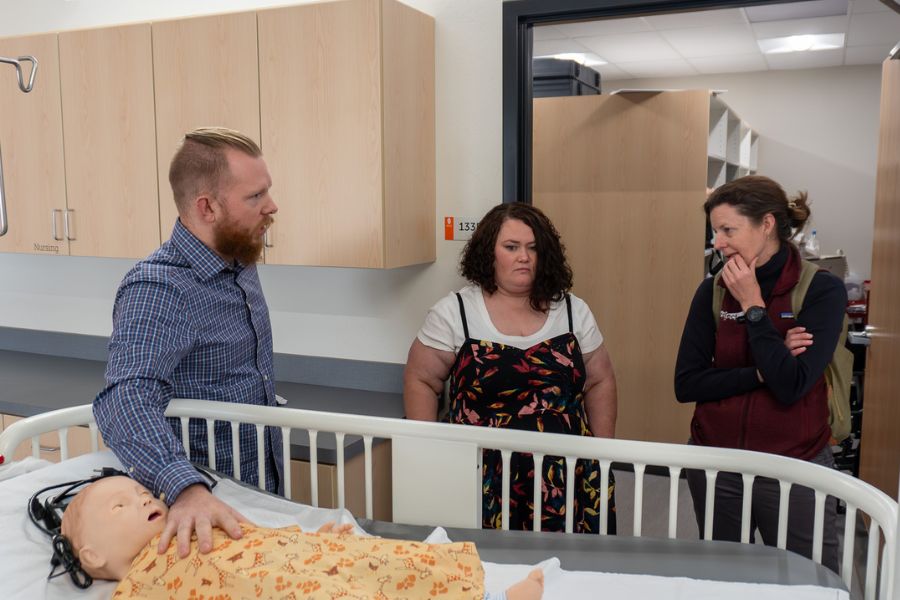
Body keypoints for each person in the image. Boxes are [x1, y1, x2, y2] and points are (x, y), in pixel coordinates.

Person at [93, 127, 280, 560]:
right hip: (202, 507)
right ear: (207, 207)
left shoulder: (238, 260)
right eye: (255, 196)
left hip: (256, 491)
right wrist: (186, 488)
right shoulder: (160, 288)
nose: (271, 206)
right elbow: (125, 399)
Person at [404, 203, 617, 533]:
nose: (524, 257)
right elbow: (421, 380)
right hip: (481, 473)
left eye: (533, 248)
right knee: (484, 558)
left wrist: (603, 456)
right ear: (489, 253)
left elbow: (600, 381)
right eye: (512, 247)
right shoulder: (455, 313)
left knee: (567, 561)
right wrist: (428, 452)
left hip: (564, 474)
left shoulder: (573, 311)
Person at [674, 175, 847, 571]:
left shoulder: (821, 290)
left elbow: (792, 385)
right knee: (724, 578)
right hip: (717, 464)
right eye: (715, 231)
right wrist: (760, 372)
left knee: (807, 580)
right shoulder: (712, 291)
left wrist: (754, 306)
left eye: (727, 230)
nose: (717, 242)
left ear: (766, 224)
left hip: (795, 467)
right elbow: (687, 383)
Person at [58, 476, 545, 600]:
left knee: (381, 562)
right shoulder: (133, 590)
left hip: (294, 567)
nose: (144, 500)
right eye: (120, 506)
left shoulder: (193, 521)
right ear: (93, 555)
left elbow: (257, 540)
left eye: (143, 493)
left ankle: (483, 595)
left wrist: (310, 542)